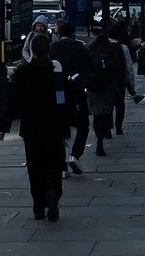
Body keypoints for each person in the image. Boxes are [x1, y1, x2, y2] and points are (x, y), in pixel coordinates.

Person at [0, 34, 69, 222]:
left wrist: (3, 127)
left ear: (32, 50)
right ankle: (54, 192)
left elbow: (14, 102)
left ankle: (38, 205)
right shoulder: (56, 71)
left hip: (32, 127)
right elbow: (64, 99)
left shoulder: (23, 72)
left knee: (35, 167)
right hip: (54, 126)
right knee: (55, 163)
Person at [50, 20, 93, 175]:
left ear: (59, 33)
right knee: (83, 126)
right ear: (74, 33)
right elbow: (89, 68)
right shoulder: (80, 48)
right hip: (77, 92)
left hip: (58, 94)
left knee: (60, 129)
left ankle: (62, 167)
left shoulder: (53, 48)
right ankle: (75, 155)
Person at [86, 33, 124, 155]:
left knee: (96, 114)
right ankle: (101, 139)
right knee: (105, 113)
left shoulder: (90, 52)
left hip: (93, 88)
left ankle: (99, 138)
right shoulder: (111, 52)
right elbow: (117, 69)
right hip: (107, 88)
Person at [109, 21, 143, 136]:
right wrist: (131, 86)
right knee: (120, 104)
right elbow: (129, 67)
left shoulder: (103, 46)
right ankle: (118, 127)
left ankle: (107, 127)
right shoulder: (123, 48)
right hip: (119, 80)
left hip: (105, 81)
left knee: (107, 103)